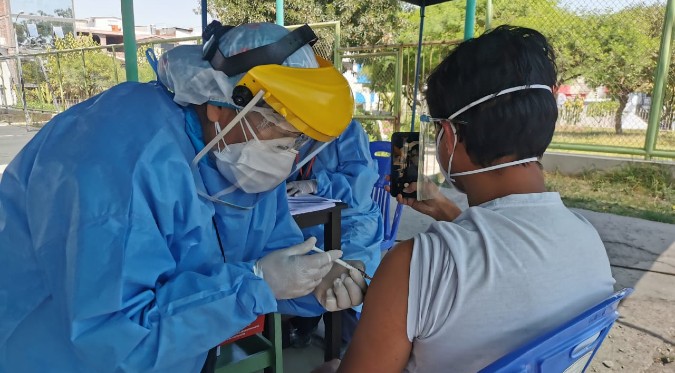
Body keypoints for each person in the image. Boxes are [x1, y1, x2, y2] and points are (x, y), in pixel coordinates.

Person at [0, 22, 367, 373]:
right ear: (219, 105)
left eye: (299, 139)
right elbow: (116, 337)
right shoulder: (119, 161)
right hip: (59, 356)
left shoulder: (242, 159)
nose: (288, 151)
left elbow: (272, 251)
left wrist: (318, 275)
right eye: (279, 127)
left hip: (180, 352)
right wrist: (254, 285)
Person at [313, 25, 615, 373]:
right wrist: (448, 212)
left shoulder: (416, 265)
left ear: (449, 135)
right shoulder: (587, 240)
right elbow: (509, 263)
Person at [285, 119, 384, 346]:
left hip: (353, 220)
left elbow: (360, 184)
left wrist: (316, 184)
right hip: (310, 219)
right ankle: (304, 325)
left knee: (347, 279)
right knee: (303, 267)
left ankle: (352, 342)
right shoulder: (292, 126)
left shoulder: (346, 129)